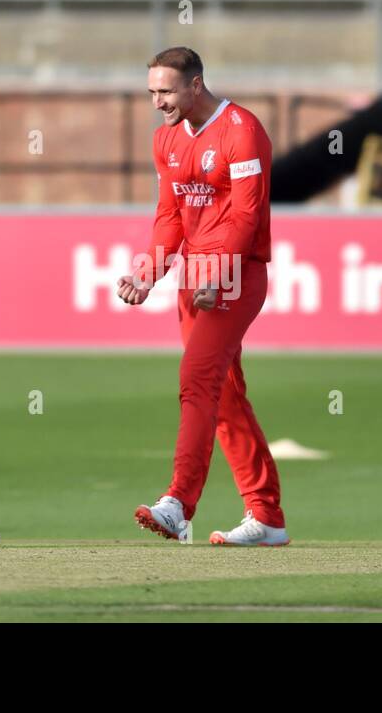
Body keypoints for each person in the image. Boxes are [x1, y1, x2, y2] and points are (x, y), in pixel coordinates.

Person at [118, 46, 289, 546]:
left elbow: (247, 214)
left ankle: (178, 504)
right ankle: (267, 517)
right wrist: (149, 271)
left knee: (195, 378)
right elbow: (169, 215)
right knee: (225, 396)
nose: (158, 102)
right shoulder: (165, 139)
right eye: (152, 92)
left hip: (235, 276)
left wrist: (222, 271)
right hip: (195, 278)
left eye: (166, 91)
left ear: (195, 85)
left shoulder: (241, 129)